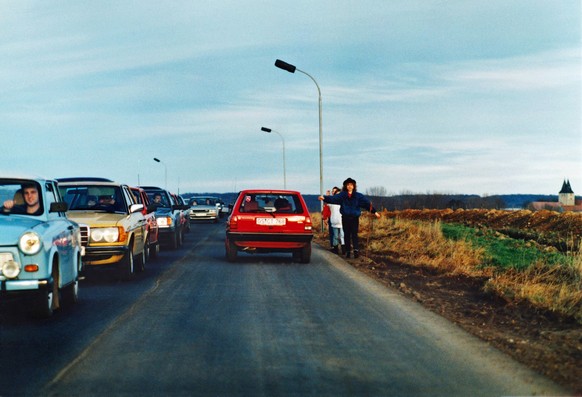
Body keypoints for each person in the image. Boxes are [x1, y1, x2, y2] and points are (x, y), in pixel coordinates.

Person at [318, 177, 380, 259]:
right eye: (348, 185)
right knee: (346, 235)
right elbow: (334, 199)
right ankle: (348, 251)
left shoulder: (358, 196)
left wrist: (375, 212)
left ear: (354, 186)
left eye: (351, 185)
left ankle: (356, 251)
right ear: (346, 186)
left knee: (354, 234)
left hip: (354, 218)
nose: (349, 186)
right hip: (345, 217)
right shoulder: (342, 195)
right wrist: (324, 198)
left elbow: (367, 204)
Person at [327, 186, 345, 254]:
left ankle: (344, 249)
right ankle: (335, 249)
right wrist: (328, 196)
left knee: (343, 236)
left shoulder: (343, 202)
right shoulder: (332, 202)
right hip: (334, 221)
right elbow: (327, 202)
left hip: (342, 221)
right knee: (336, 236)